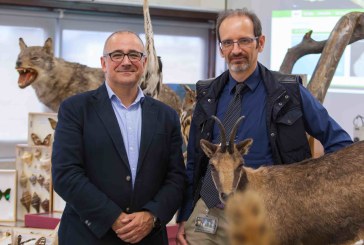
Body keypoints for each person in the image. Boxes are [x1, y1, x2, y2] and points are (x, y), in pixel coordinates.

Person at [176, 8, 353, 245]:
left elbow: (341, 146)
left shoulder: (289, 91)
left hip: (269, 212)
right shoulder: (207, 95)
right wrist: (185, 216)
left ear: (260, 43)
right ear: (221, 49)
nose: (236, 50)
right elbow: (194, 163)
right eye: (228, 43)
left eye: (244, 41)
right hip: (212, 206)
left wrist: (316, 200)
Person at [52, 30, 186, 244]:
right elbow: (65, 174)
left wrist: (151, 216)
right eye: (117, 55)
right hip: (88, 236)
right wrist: (112, 217)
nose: (126, 61)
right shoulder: (75, 109)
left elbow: (176, 177)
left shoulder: (166, 115)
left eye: (134, 55)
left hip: (148, 237)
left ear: (144, 62)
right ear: (104, 63)